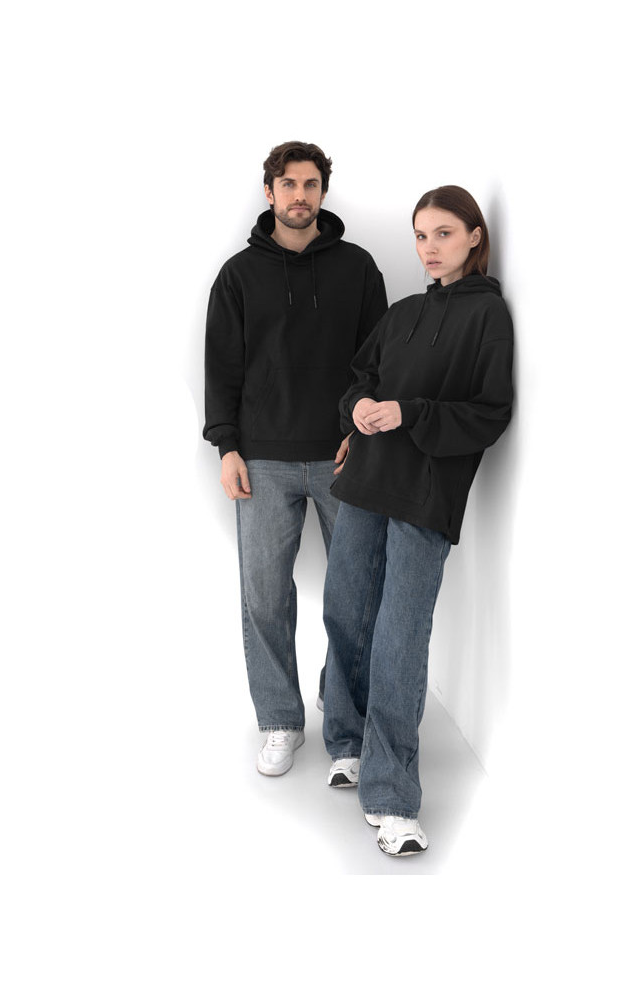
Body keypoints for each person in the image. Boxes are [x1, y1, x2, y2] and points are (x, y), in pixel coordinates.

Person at [321, 185, 513, 856]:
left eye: (443, 234)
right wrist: (357, 410)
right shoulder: (403, 312)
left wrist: (411, 413)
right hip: (364, 484)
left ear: (474, 236)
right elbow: (358, 382)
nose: (429, 248)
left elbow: (490, 412)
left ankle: (393, 797)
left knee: (399, 638)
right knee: (346, 612)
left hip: (427, 494)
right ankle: (345, 741)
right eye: (421, 236)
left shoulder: (489, 317)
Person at [203, 141, 388, 777]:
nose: (300, 196)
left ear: (323, 192)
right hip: (262, 459)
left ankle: (344, 712)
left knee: (355, 596)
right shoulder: (238, 275)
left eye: (310, 184)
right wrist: (227, 446)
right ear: (270, 192)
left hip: (343, 457)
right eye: (288, 184)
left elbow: (377, 363)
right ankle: (281, 721)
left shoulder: (358, 269)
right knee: (264, 596)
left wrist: (361, 435)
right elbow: (222, 367)